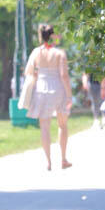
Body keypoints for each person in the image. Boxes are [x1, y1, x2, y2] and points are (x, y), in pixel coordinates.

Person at [24, 24, 73, 171]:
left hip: (41, 88)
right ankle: (63, 159)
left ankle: (48, 162)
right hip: (58, 88)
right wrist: (69, 95)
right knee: (62, 125)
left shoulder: (36, 52)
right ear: (52, 36)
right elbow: (64, 75)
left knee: (44, 127)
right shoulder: (60, 53)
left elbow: (28, 71)